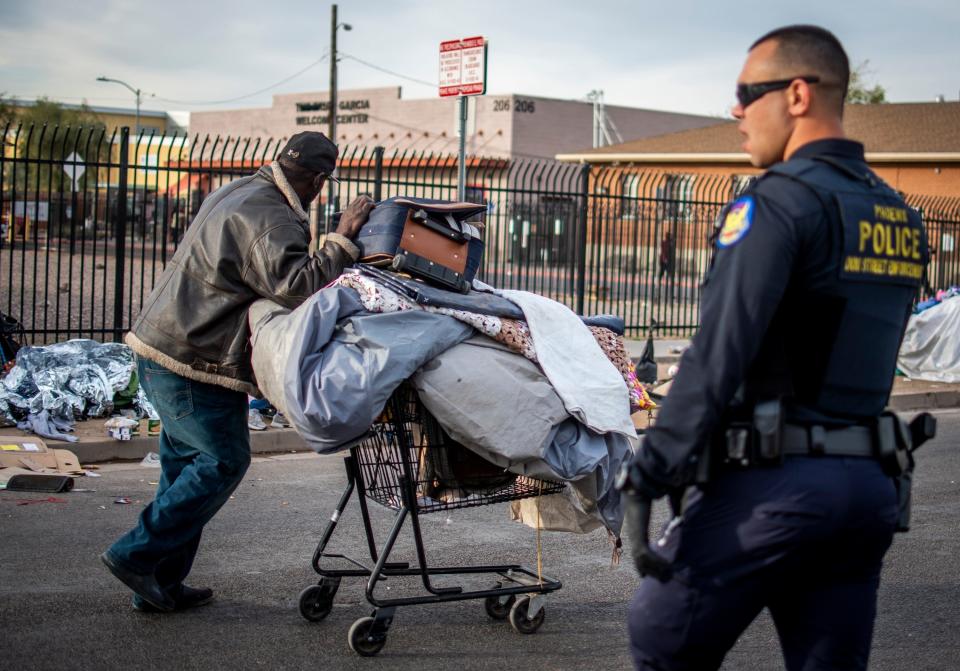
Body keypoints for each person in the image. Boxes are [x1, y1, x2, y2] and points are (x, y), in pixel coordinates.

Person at [619, 25, 930, 670]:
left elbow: (717, 353)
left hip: (774, 489)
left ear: (796, 94)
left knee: (660, 636)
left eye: (745, 93)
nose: (734, 110)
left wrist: (650, 470)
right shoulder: (899, 214)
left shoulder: (779, 203)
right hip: (868, 491)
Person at [102, 131, 375, 613]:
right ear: (318, 179)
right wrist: (343, 239)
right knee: (223, 461)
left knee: (184, 465)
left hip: (171, 345)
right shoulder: (269, 217)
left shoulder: (244, 189)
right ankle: (134, 554)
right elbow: (297, 285)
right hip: (191, 359)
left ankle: (159, 581)